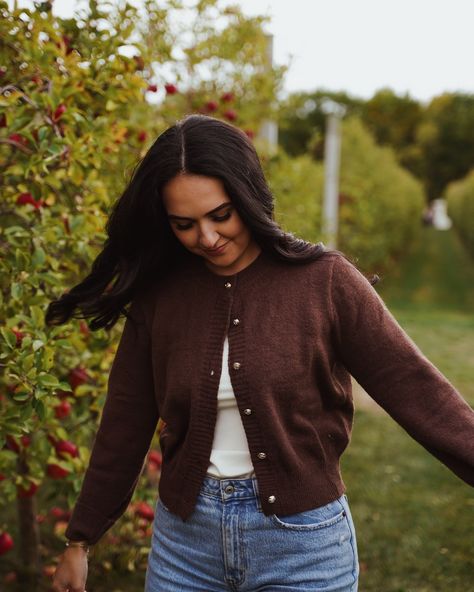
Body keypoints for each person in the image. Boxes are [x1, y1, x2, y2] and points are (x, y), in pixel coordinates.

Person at [48, 114, 474, 592]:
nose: (206, 239)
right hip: (185, 547)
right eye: (184, 225)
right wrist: (80, 539)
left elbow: (413, 386)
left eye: (220, 215)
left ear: (247, 196)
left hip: (302, 546)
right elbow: (125, 421)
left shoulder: (324, 281)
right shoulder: (161, 296)